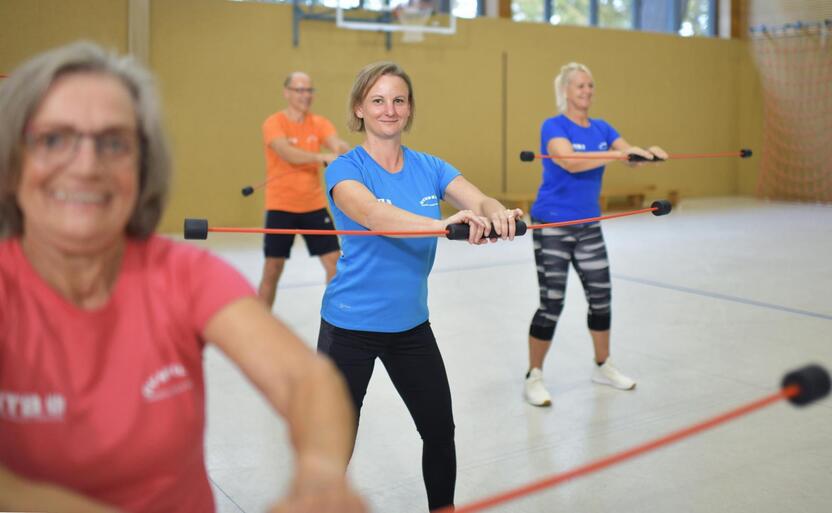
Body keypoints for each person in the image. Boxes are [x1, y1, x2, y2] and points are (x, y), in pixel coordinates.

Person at [0, 41, 366, 513]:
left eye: (114, 143)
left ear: (143, 167)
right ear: (13, 162)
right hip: (282, 207)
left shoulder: (183, 274)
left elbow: (306, 380)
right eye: (53, 139)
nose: (87, 166)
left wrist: (320, 476)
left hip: (312, 209)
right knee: (272, 273)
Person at [317, 61, 523, 512]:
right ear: (359, 109)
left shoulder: (430, 167)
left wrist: (499, 212)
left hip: (410, 327)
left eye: (399, 100)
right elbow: (374, 215)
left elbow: (478, 198)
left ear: (409, 110)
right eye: (378, 100)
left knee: (439, 431)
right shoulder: (344, 168)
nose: (389, 109)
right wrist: (441, 224)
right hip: (349, 327)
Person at [523, 62, 668, 407]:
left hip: (589, 226)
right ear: (565, 91)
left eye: (590, 86)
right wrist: (618, 155)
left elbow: (628, 156)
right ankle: (534, 375)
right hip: (553, 224)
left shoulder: (602, 128)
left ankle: (602, 365)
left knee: (601, 297)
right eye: (580, 86)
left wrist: (649, 155)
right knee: (552, 302)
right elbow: (569, 160)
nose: (587, 91)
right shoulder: (553, 126)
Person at [258, 71, 351, 308]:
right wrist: (321, 157)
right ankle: (260, 323)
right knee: (272, 268)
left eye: (309, 90)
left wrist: (341, 148)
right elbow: (286, 152)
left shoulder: (319, 123)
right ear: (287, 92)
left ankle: (333, 317)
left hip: (313, 205)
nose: (305, 95)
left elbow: (334, 143)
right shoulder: (274, 123)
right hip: (281, 206)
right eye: (299, 90)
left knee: (333, 263)